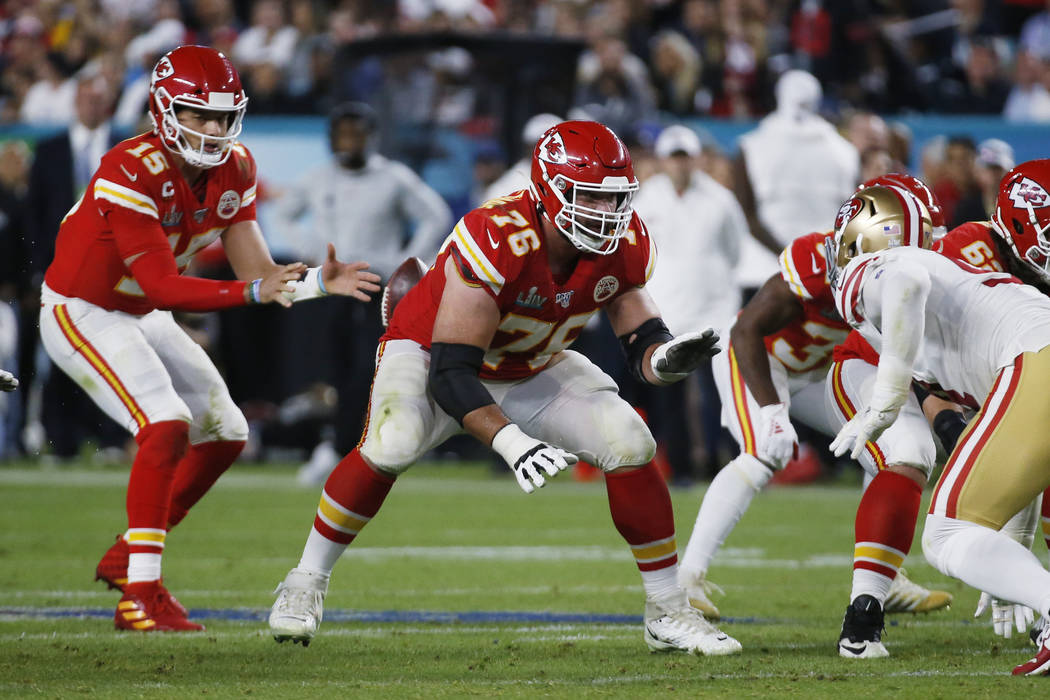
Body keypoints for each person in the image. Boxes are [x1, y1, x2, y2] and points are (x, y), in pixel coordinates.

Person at [267, 120, 740, 656]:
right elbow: (451, 372)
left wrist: (665, 359)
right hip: (429, 353)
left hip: (529, 363)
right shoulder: (498, 235)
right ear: (548, 191)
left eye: (613, 198)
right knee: (392, 443)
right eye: (589, 197)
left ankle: (667, 610)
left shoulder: (624, 242)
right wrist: (513, 443)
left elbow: (641, 338)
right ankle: (306, 580)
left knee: (630, 441)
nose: (606, 213)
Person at [38, 45, 381, 632]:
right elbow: (164, 285)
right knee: (166, 423)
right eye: (200, 115)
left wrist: (319, 283)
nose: (215, 129)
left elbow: (259, 275)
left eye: (223, 116)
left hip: (141, 311)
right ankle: (140, 592)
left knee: (228, 432)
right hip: (84, 309)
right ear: (164, 111)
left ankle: (129, 555)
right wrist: (255, 291)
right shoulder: (130, 167)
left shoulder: (235, 167)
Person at [678, 177, 951, 626]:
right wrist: (772, 413)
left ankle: (885, 576)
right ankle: (687, 580)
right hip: (759, 361)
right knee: (764, 452)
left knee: (889, 442)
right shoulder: (818, 261)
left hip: (815, 374)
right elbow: (746, 330)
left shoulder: (901, 280)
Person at [827, 162, 1050, 676]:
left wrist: (886, 400)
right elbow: (1027, 464)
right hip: (1031, 360)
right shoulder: (959, 271)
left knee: (946, 534)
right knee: (966, 524)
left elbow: (904, 281)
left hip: (1033, 360)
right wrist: (1010, 554)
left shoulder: (887, 264)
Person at [274, 101, 453, 486]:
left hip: (375, 285)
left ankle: (342, 448)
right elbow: (282, 213)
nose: (350, 141)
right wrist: (309, 249)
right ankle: (342, 444)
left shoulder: (392, 177)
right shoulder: (318, 177)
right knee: (331, 370)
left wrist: (406, 261)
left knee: (367, 369)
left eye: (357, 134)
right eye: (343, 134)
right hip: (329, 285)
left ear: (372, 137)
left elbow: (435, 215)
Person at [23, 70, 127, 460]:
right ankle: (60, 440)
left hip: (113, 273)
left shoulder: (126, 149)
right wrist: (37, 269)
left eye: (98, 99)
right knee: (60, 354)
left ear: (109, 104)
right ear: (75, 101)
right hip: (61, 273)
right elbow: (34, 217)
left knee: (116, 354)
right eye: (86, 98)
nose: (92, 106)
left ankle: (111, 439)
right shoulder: (50, 151)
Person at [632, 124, 744, 483]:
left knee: (721, 392)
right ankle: (680, 466)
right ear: (663, 161)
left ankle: (726, 464)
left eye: (685, 157)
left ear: (696, 159)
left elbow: (735, 249)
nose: (679, 164)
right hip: (665, 310)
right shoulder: (646, 200)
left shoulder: (720, 199)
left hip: (714, 310)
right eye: (673, 157)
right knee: (670, 394)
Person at [732, 69, 858, 297]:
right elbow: (852, 217)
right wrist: (809, 261)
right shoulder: (845, 152)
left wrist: (788, 257)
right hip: (825, 273)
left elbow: (745, 214)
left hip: (765, 272)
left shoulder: (751, 146)